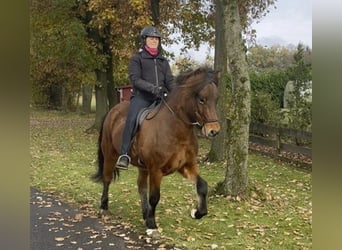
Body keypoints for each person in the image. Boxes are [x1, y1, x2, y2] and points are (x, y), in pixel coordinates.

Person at [116, 26, 174, 170]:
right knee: (131, 119)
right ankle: (124, 155)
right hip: (142, 98)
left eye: (156, 39)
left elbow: (170, 81)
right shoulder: (137, 59)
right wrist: (153, 88)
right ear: (144, 40)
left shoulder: (163, 61)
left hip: (160, 99)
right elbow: (136, 80)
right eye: (151, 38)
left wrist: (176, 92)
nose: (154, 41)